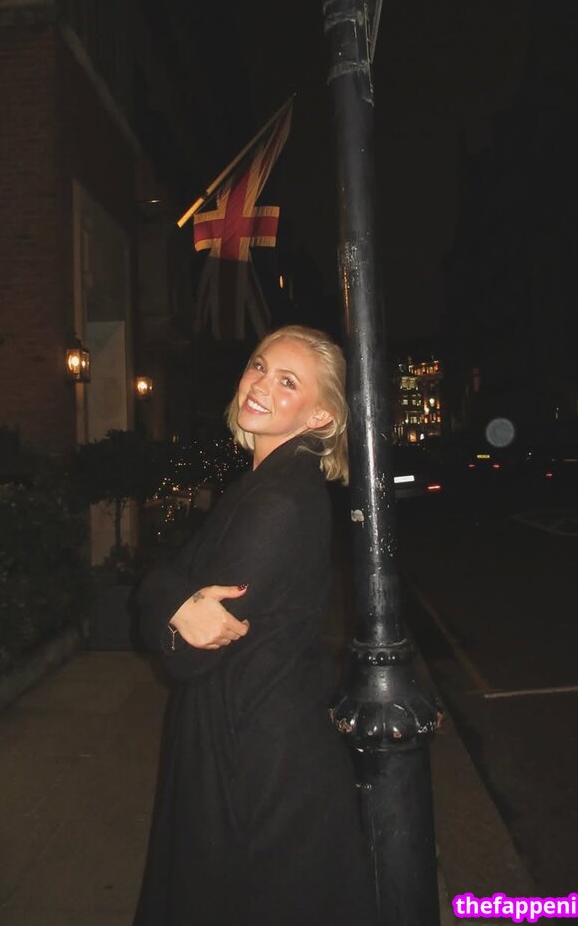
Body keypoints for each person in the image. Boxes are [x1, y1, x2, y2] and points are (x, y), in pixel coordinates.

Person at [134, 325, 377, 926]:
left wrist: (166, 598)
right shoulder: (265, 482)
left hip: (257, 752)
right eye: (259, 366)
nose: (261, 385)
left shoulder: (279, 500)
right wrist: (170, 597)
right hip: (251, 727)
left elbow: (192, 650)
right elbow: (175, 585)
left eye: (288, 381)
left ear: (320, 416)